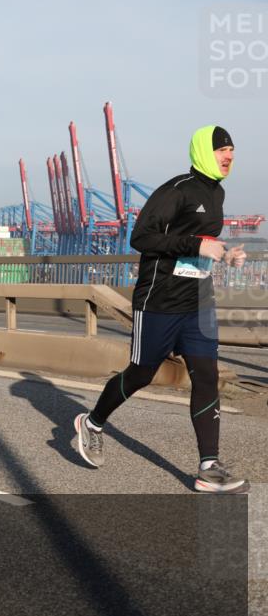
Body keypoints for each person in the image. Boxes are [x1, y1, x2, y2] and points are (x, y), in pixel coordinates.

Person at [74, 125, 248, 494]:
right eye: (222, 149)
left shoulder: (216, 192)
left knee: (205, 375)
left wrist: (226, 254)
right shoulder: (176, 189)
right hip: (159, 300)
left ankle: (208, 466)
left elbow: (203, 242)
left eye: (232, 149)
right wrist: (196, 246)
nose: (229, 155)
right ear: (204, 150)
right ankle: (92, 422)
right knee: (141, 373)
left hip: (197, 302)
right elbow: (142, 237)